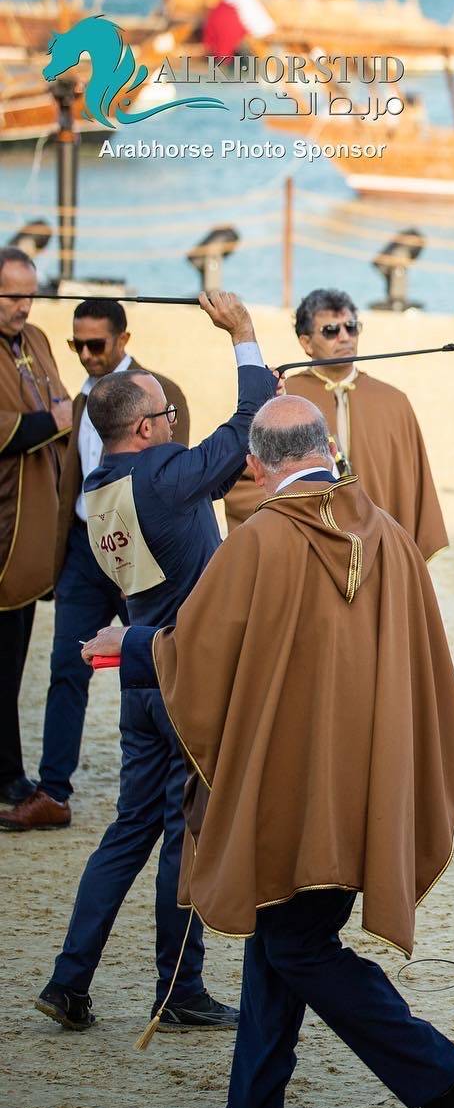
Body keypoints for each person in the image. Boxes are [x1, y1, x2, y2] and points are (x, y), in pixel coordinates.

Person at [84, 395, 454, 1108]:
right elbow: (428, 669)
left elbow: (199, 656)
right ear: (327, 445)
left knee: (298, 947)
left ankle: (440, 1070)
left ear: (255, 464)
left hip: (291, 794)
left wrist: (132, 645)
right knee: (280, 940)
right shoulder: (392, 539)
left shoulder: (259, 541)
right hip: (369, 785)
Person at [30, 290, 268, 1033]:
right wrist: (244, 335)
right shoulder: (164, 478)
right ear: (142, 427)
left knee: (128, 832)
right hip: (183, 676)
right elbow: (244, 427)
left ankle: (69, 981)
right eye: (166, 416)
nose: (173, 424)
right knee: (182, 833)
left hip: (139, 677)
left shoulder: (100, 494)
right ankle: (179, 991)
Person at [1, 299, 190, 831]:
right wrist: (57, 555)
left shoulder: (160, 394)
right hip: (85, 549)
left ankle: (186, 774)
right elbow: (68, 479)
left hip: (138, 548)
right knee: (68, 667)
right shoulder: (77, 399)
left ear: (123, 340)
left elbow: (176, 476)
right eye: (75, 345)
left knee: (160, 660)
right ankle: (53, 793)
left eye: (96, 345)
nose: (85, 355)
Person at [222, 288, 447, 560]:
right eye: (330, 330)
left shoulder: (393, 402)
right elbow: (245, 481)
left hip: (379, 549)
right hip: (304, 548)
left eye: (351, 327)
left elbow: (414, 490)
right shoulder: (283, 398)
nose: (344, 337)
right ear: (306, 343)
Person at [0, 246, 70, 807]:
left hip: (37, 521)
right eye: (13, 295)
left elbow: (62, 402)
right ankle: (7, 774)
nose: (25, 306)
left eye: (30, 294)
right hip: (4, 522)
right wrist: (54, 421)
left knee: (16, 654)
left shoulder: (39, 340)